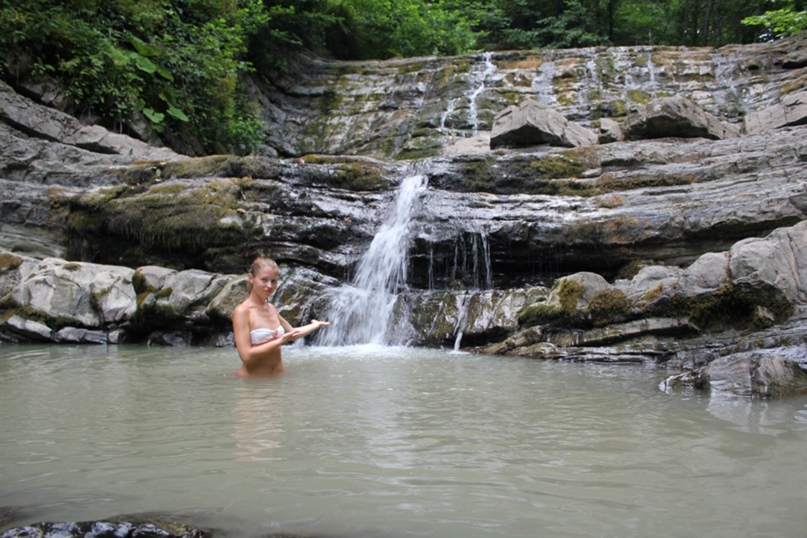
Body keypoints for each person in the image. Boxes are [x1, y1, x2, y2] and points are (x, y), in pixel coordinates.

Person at [232, 257, 329, 377]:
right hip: (254, 383)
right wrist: (280, 341)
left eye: (274, 281)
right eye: (264, 280)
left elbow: (292, 333)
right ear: (251, 278)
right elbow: (246, 356)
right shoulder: (242, 311)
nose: (269, 286)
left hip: (277, 379)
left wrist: (315, 325)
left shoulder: (271, 308)